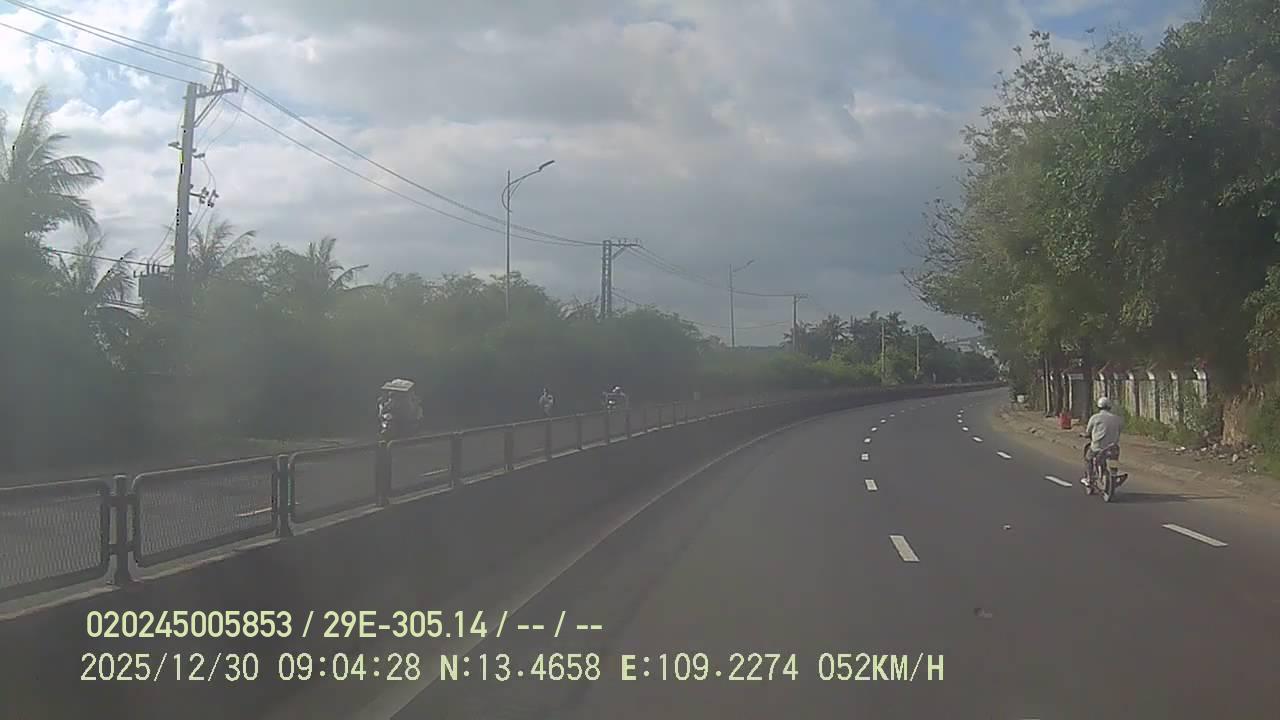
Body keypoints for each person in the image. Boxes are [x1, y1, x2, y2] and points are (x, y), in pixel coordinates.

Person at [1082, 396, 1124, 486]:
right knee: (1114, 459)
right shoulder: (1117, 419)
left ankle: (1089, 478)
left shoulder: (1095, 418)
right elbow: (1120, 430)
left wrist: (1085, 435)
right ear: (1109, 407)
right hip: (1113, 447)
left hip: (1098, 447)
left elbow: (1088, 432)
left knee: (1088, 458)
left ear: (1098, 407)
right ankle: (1114, 474)